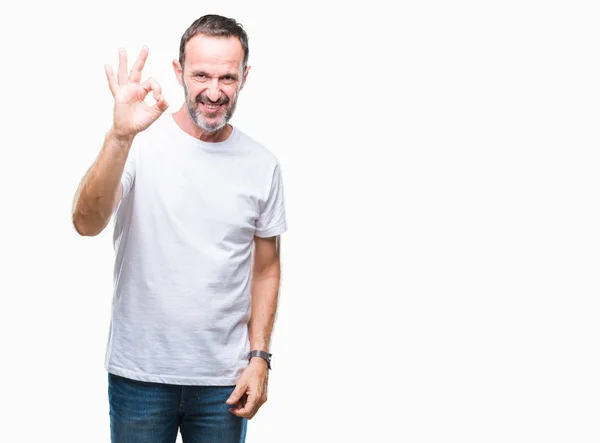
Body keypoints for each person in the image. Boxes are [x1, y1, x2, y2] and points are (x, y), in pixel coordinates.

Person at [71, 14, 287, 443]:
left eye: (227, 77)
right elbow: (85, 222)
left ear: (244, 77)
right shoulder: (139, 144)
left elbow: (266, 268)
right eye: (201, 75)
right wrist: (118, 137)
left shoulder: (263, 165)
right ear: (178, 72)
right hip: (141, 377)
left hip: (223, 382)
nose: (213, 91)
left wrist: (260, 357)